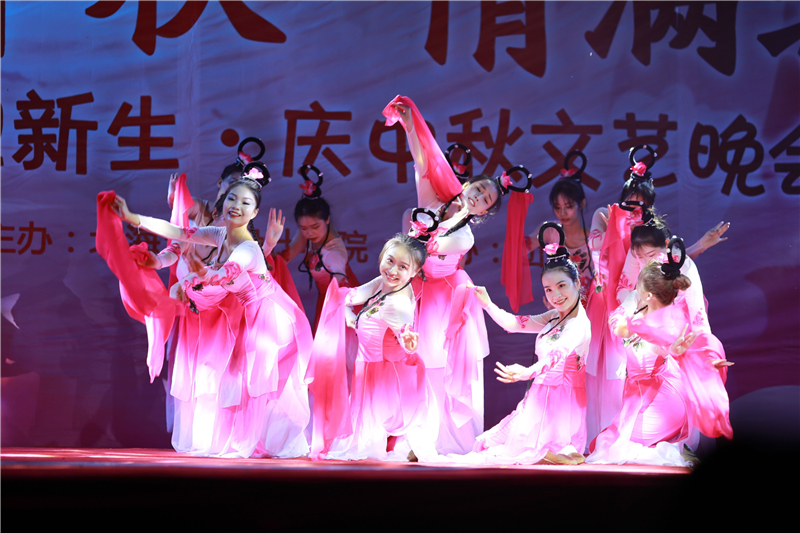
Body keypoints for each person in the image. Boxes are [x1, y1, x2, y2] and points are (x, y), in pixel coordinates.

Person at [111, 170, 313, 458]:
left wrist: (198, 275)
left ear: (255, 212)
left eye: (245, 203)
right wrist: (131, 217)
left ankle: (262, 444)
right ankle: (256, 442)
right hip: (247, 317)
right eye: (232, 198)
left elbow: (224, 274)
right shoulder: (220, 234)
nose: (236, 206)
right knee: (239, 383)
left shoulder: (248, 249)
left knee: (253, 384)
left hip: (268, 319)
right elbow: (179, 232)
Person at [384, 95, 517, 455]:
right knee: (415, 364)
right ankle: (415, 436)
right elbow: (422, 163)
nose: (479, 197)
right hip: (418, 290)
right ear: (468, 184)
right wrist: (410, 126)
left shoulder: (465, 235)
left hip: (448, 298)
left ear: (486, 211)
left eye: (486, 200)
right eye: (479, 189)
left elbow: (427, 247)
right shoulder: (435, 199)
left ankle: (440, 440)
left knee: (443, 369)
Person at [453, 223, 590, 465]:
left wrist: (526, 372)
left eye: (562, 286)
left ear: (577, 284)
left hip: (560, 406)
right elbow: (515, 324)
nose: (555, 296)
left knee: (514, 454)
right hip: (538, 398)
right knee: (487, 444)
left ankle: (557, 451)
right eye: (549, 289)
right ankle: (551, 453)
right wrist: (487, 304)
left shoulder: (578, 324)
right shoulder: (555, 316)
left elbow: (556, 356)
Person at [587, 243, 732, 466]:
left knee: (614, 448)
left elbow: (662, 346)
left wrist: (676, 351)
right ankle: (673, 444)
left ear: (647, 294)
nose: (634, 289)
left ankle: (673, 446)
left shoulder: (667, 323)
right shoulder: (638, 306)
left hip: (663, 398)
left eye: (638, 286)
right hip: (641, 395)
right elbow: (618, 322)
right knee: (606, 442)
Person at [308, 233, 429, 461]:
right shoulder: (383, 283)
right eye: (390, 260)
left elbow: (404, 331)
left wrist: (408, 344)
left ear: (414, 272)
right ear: (382, 257)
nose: (392, 270)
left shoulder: (398, 303)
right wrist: (347, 313)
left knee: (371, 443)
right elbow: (351, 297)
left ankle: (401, 451)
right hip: (368, 368)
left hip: (382, 375)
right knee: (368, 438)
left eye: (403, 267)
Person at [279, 164, 358, 332]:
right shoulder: (308, 234)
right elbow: (285, 257)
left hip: (341, 303)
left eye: (315, 226)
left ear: (327, 220)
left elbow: (340, 281)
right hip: (324, 300)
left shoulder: (334, 251)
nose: (309, 233)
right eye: (303, 228)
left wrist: (348, 312)